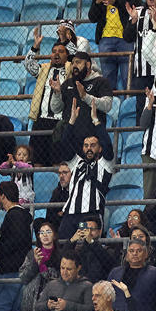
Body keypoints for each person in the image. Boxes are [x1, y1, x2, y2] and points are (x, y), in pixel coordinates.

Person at [57, 99, 115, 241]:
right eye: (86, 145)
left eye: (93, 145)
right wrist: (71, 121)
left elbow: (108, 147)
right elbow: (64, 146)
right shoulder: (77, 163)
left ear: (99, 148)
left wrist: (96, 121)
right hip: (70, 214)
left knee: (86, 247)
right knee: (64, 246)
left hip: (90, 215)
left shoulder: (104, 165)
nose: (89, 148)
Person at [88, 0, 140, 91]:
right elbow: (92, 18)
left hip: (125, 38)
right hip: (105, 39)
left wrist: (116, 2)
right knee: (108, 80)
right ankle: (109, 104)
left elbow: (136, 8)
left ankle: (127, 103)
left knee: (128, 79)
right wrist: (98, 4)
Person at [0, 182, 32, 311]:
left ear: (3, 196)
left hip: (11, 270)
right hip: (17, 268)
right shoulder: (19, 215)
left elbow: (16, 241)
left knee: (1, 310)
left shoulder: (14, 215)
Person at [25, 32, 69, 168]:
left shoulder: (71, 70)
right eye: (54, 51)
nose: (56, 54)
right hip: (41, 120)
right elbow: (28, 65)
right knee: (37, 160)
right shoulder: (44, 69)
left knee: (57, 161)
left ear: (67, 55)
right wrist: (35, 47)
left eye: (61, 51)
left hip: (60, 121)